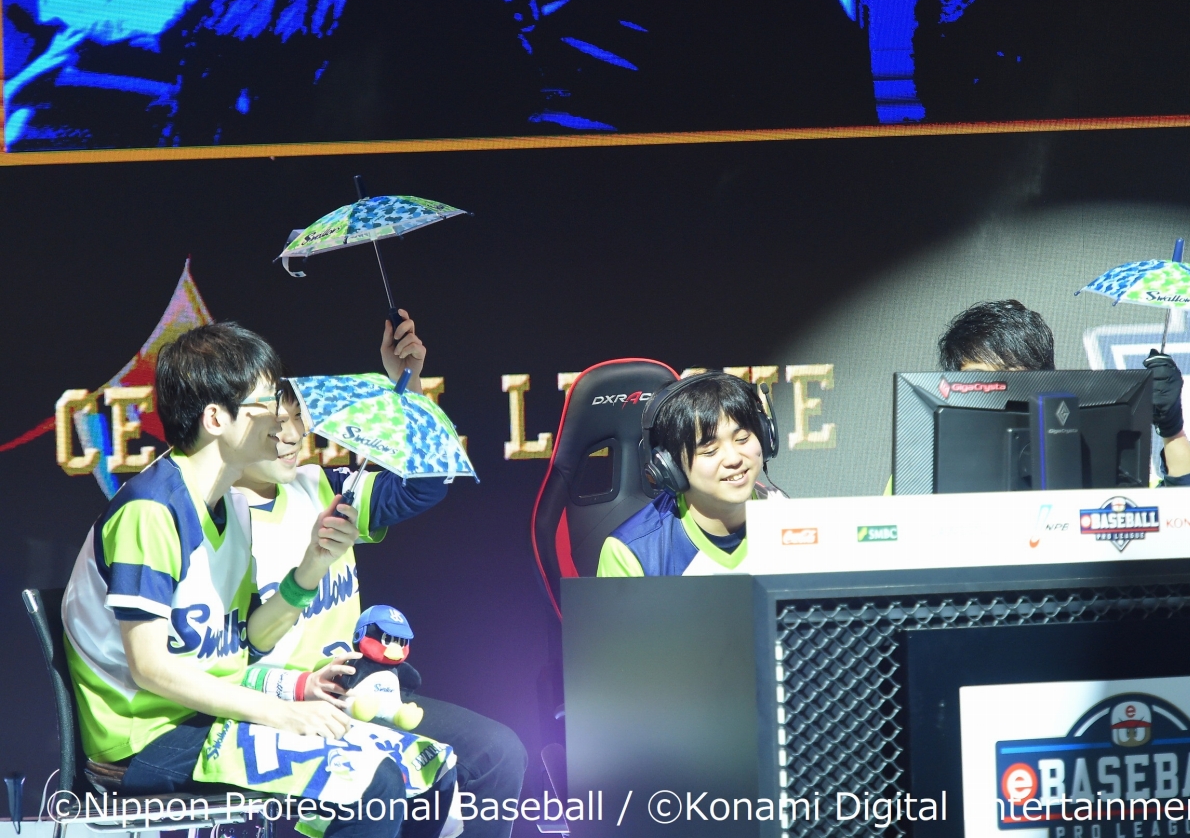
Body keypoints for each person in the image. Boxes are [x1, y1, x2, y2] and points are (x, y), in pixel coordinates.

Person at [61, 323, 454, 838]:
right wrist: (280, 713)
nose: (285, 421)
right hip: (151, 737)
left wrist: (310, 580)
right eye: (267, 403)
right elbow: (151, 668)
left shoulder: (230, 506)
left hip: (216, 714)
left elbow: (243, 646)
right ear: (215, 419)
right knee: (369, 784)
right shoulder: (151, 511)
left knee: (430, 766)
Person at [234, 310, 527, 838]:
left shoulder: (323, 486)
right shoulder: (219, 519)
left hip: (361, 689)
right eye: (275, 422)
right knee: (386, 783)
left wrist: (406, 384)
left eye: (297, 418)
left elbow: (425, 483)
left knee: (499, 754)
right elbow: (233, 650)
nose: (291, 434)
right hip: (285, 702)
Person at [936, 299, 1190, 485]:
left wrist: (1171, 428)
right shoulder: (930, 470)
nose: (995, 391)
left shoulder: (1089, 458)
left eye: (1010, 375)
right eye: (980, 380)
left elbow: (1184, 512)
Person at [597, 371, 781, 577]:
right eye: (710, 451)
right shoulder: (630, 553)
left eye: (742, 439)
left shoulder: (791, 521)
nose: (733, 459)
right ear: (669, 466)